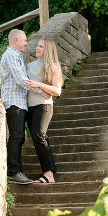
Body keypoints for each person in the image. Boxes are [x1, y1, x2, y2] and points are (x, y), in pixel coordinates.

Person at [0, 29, 47, 184]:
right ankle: (14, 172)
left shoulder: (16, 56)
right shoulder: (11, 55)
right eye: (24, 40)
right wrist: (41, 91)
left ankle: (17, 171)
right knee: (16, 136)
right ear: (15, 40)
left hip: (20, 103)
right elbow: (20, 80)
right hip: (14, 103)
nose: (27, 43)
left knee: (19, 137)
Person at [25, 38, 63, 183]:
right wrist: (37, 87)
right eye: (37, 46)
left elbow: (57, 90)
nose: (36, 48)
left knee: (38, 136)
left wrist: (39, 85)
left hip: (44, 106)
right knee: (40, 137)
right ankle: (50, 172)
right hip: (30, 107)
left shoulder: (53, 66)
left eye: (40, 46)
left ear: (47, 50)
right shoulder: (30, 66)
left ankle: (48, 174)